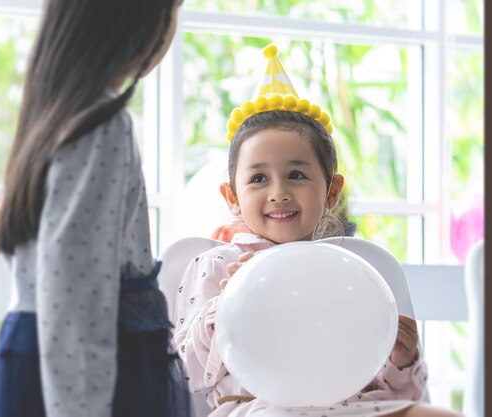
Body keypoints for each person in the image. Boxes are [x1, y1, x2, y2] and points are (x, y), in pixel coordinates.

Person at [172, 44, 461, 417]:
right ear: (232, 197)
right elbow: (185, 374)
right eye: (259, 178)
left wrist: (402, 361)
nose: (279, 193)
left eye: (297, 175)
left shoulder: (352, 274)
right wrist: (225, 309)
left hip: (354, 407)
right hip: (260, 409)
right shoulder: (217, 264)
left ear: (331, 191)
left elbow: (393, 389)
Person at [0, 1, 191, 416]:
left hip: (52, 360)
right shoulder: (102, 124)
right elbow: (74, 293)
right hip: (91, 375)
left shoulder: (55, 117)